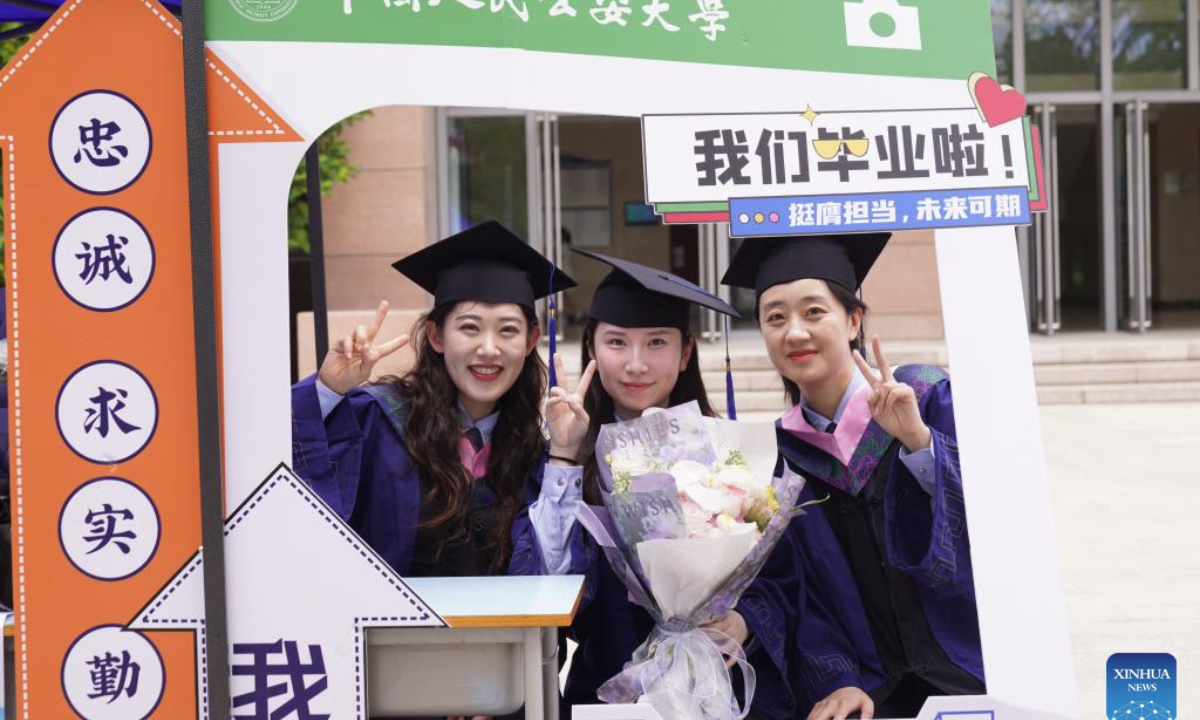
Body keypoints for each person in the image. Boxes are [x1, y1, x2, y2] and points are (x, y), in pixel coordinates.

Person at [510, 250, 804, 720]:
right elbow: (549, 584)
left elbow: (784, 577)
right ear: (591, 348)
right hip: (608, 687)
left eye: (656, 343)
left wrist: (744, 621)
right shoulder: (568, 459)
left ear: (685, 351)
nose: (636, 364)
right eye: (617, 342)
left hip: (719, 684)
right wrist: (564, 456)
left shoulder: (728, 454)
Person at [721, 234, 985, 719]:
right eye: (775, 317)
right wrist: (839, 680)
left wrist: (920, 445)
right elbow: (799, 592)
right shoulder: (779, 458)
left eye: (814, 312)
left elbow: (1000, 524)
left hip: (973, 669)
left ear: (854, 320)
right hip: (868, 693)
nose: (794, 332)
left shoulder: (927, 398)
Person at [291, 220, 576, 581]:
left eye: (508, 330)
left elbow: (552, 574)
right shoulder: (376, 421)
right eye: (469, 327)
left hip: (503, 637)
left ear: (531, 340)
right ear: (436, 336)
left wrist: (565, 455)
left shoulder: (530, 450)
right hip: (390, 634)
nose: (488, 348)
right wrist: (327, 388)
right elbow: (285, 476)